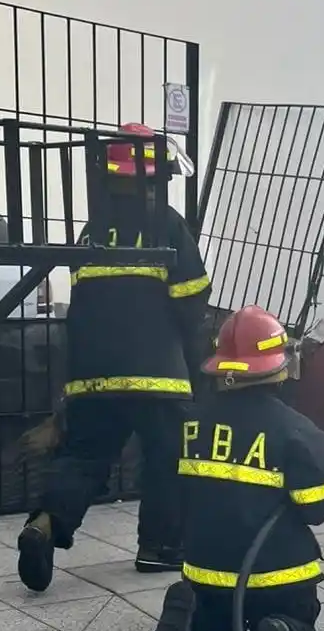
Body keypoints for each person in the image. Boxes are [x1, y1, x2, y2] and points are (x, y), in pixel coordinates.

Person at [17, 123, 211, 592]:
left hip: (91, 374)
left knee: (84, 456)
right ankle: (159, 548)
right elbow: (192, 300)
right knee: (168, 458)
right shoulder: (167, 225)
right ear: (154, 177)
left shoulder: (93, 231)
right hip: (158, 375)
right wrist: (195, 360)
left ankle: (45, 522)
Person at [151, 305, 324, 631]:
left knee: (217, 625)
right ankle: (283, 629)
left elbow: (172, 489)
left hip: (206, 571)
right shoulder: (298, 431)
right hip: (279, 575)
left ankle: (194, 623)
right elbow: (315, 508)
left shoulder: (190, 424)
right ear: (278, 366)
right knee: (298, 614)